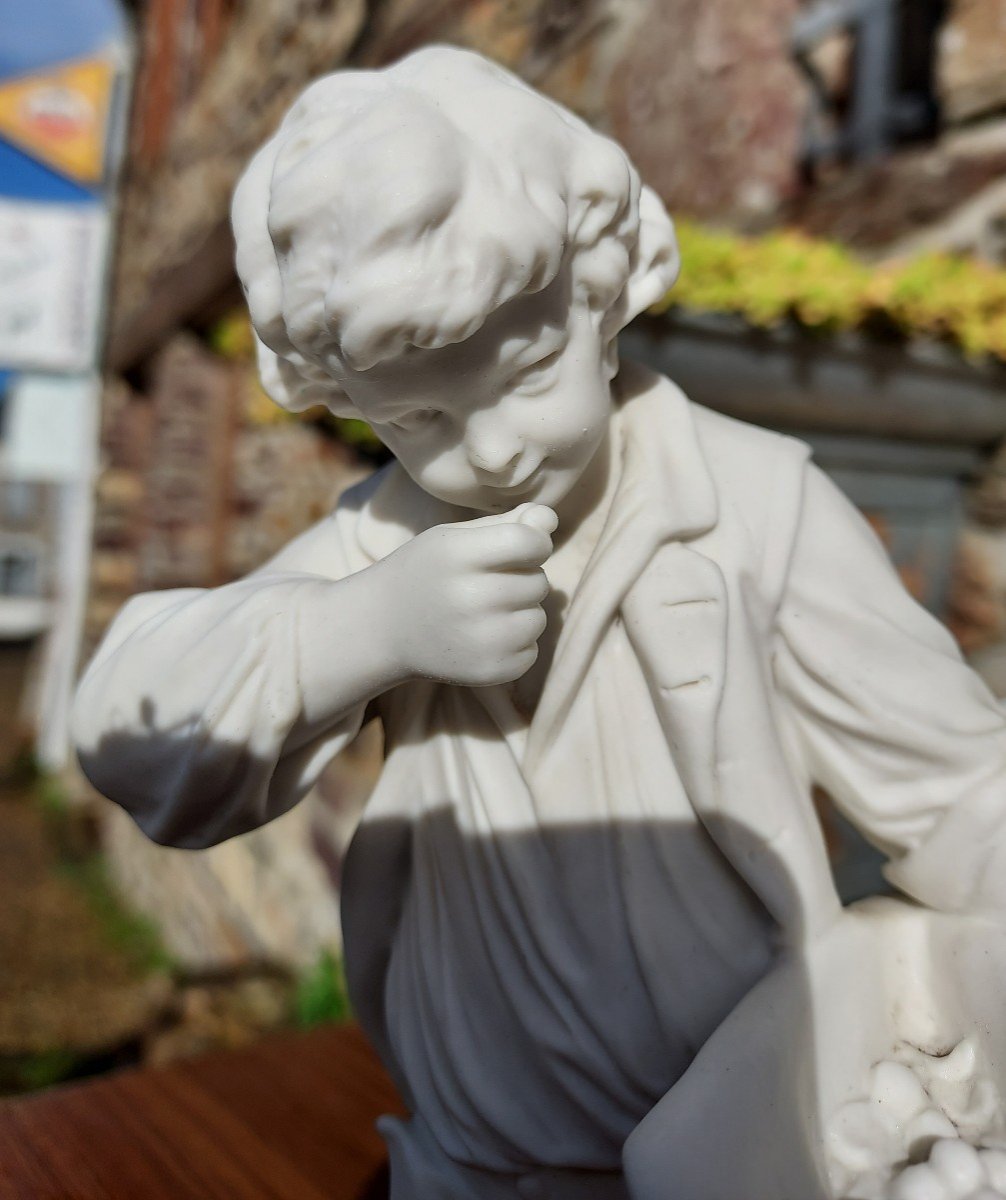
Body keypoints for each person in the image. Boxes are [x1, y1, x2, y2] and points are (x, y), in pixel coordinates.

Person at [73, 46, 1006, 1200]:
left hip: (748, 1148)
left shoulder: (754, 510)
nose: (492, 449)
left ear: (600, 291)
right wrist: (363, 631)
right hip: (475, 1162)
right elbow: (131, 726)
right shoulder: (388, 551)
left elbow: (958, 790)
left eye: (521, 373)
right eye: (418, 416)